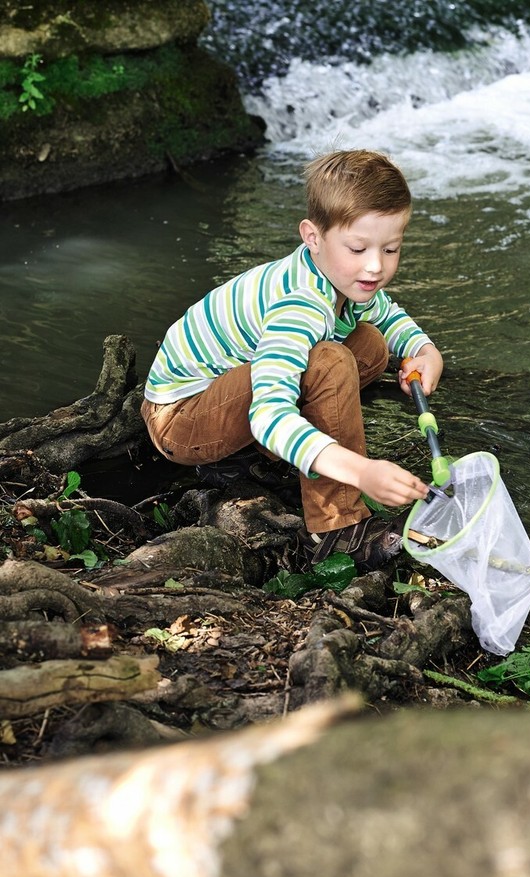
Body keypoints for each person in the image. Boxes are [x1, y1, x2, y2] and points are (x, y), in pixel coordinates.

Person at [141, 149, 444, 571]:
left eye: (390, 249)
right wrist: (360, 471)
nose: (375, 266)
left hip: (227, 394)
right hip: (182, 418)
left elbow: (387, 314)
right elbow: (268, 415)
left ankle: (258, 458)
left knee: (371, 345)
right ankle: (337, 528)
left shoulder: (342, 276)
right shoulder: (299, 304)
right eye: (358, 248)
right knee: (330, 362)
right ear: (313, 237)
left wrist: (425, 351)